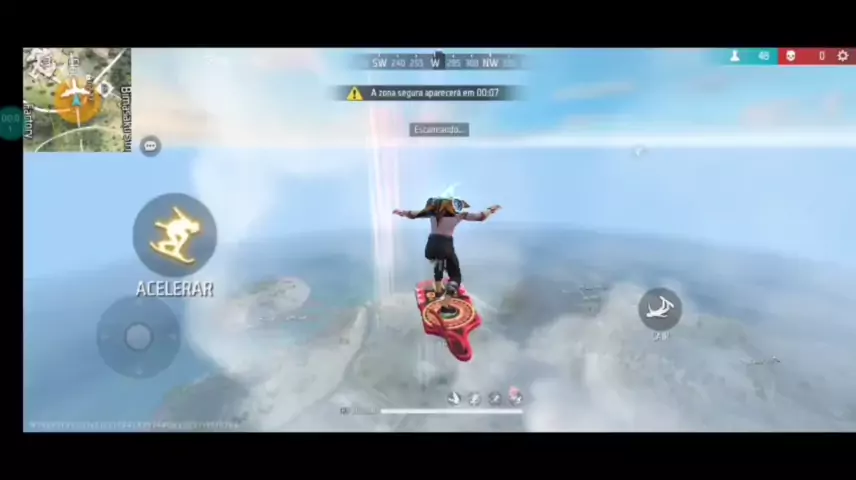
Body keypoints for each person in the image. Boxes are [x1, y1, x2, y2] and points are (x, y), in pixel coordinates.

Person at [393, 198, 501, 303]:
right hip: (446, 246)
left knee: (438, 260)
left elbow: (412, 214)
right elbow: (481, 217)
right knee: (455, 276)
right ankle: (446, 300)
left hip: (431, 247)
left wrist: (400, 212)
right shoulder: (459, 214)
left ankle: (438, 289)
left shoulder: (432, 213)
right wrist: (492, 209)